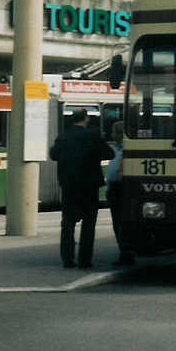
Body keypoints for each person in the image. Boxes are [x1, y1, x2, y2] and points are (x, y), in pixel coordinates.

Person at [49, 108, 113, 268]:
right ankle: (85, 260)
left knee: (68, 224)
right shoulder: (93, 135)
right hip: (89, 186)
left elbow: (53, 155)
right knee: (88, 224)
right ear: (86, 119)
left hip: (69, 185)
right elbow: (109, 154)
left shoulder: (64, 135)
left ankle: (67, 259)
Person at [106, 120, 135, 266]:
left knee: (121, 222)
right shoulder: (114, 148)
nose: (111, 134)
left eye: (113, 131)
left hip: (123, 187)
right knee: (117, 222)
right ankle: (123, 250)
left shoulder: (129, 149)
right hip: (114, 187)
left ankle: (126, 253)